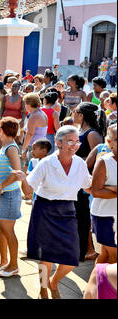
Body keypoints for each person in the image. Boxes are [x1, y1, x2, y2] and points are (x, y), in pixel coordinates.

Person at [21, 125, 92, 299]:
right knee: (46, 257)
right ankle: (44, 289)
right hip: (45, 210)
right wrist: (21, 178)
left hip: (68, 211)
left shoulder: (80, 163)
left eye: (77, 141)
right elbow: (29, 189)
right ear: (58, 143)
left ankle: (53, 282)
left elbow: (89, 186)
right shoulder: (46, 163)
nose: (75, 145)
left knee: (73, 257)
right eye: (70, 141)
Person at [0, 117, 23, 278]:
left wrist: (1, 186)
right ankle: (4, 261)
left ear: (1, 130)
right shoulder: (5, 146)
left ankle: (14, 265)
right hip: (0, 194)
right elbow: (0, 170)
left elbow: (17, 173)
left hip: (8, 195)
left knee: (8, 231)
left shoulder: (11, 148)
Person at [73, 102, 105, 261]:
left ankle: (89, 249)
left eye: (75, 111)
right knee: (77, 215)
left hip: (85, 180)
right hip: (75, 178)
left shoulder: (92, 134)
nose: (73, 112)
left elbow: (99, 159)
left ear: (82, 115)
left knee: (83, 216)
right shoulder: (80, 130)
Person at [89, 124, 117, 264]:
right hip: (105, 215)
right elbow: (96, 191)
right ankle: (100, 285)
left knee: (106, 255)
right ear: (109, 142)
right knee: (112, 257)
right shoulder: (104, 162)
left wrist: (112, 188)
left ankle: (95, 286)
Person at [21, 93, 48, 172]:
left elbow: (29, 134)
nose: (25, 106)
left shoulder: (34, 116)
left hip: (34, 147)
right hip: (41, 146)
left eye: (25, 103)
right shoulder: (41, 113)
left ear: (29, 104)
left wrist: (23, 149)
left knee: (29, 171)